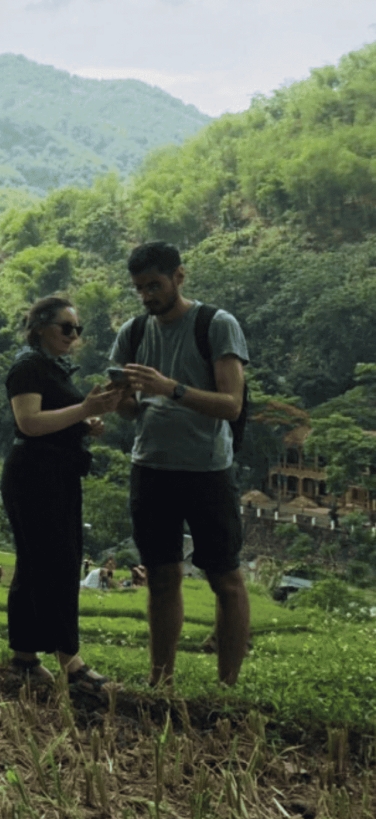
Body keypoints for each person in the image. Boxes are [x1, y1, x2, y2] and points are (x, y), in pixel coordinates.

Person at [110, 241, 251, 687]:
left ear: (179, 277)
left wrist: (171, 388)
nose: (148, 296)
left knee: (225, 578)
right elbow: (132, 410)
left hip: (207, 470)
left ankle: (227, 685)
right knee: (162, 576)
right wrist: (121, 400)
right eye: (139, 289)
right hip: (151, 467)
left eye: (154, 285)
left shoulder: (215, 325)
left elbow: (231, 405)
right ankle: (160, 681)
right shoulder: (132, 332)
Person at [2, 295, 121, 688]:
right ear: (40, 328)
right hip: (36, 476)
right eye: (65, 327)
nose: (74, 335)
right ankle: (71, 663)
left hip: (55, 474)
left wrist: (84, 423)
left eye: (77, 329)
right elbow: (30, 423)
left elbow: (56, 418)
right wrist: (84, 411)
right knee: (56, 565)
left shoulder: (52, 368)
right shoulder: (28, 367)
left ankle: (24, 658)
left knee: (42, 564)